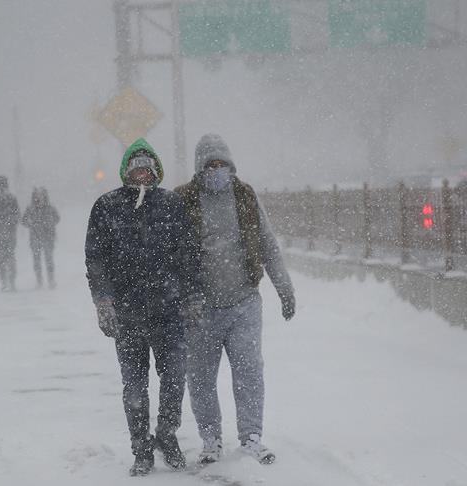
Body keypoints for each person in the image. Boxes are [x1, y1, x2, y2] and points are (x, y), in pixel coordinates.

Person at [175, 133, 296, 466]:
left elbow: (268, 244)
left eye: (221, 164)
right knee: (200, 377)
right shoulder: (183, 200)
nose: (216, 170)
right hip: (200, 309)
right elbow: (166, 253)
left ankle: (251, 436)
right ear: (200, 168)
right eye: (210, 165)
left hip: (243, 303)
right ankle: (211, 439)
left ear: (230, 166)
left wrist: (284, 288)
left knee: (249, 373)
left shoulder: (244, 196)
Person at [85, 138, 201, 477]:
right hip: (128, 313)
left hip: (169, 310)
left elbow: (188, 254)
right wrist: (103, 300)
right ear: (126, 171)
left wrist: (192, 296)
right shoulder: (106, 206)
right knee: (134, 386)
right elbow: (96, 258)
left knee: (175, 377)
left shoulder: (171, 204)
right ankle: (141, 447)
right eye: (136, 168)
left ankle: (167, 434)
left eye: (147, 168)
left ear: (156, 171)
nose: (142, 174)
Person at [22, 187, 60, 288]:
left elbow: (57, 218)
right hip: (35, 238)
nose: (38, 198)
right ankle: (39, 280)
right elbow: (24, 221)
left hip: (48, 238)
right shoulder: (30, 208)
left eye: (41, 195)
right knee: (37, 260)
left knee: (48, 259)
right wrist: (31, 224)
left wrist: (49, 224)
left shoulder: (50, 208)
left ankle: (51, 280)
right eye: (37, 196)